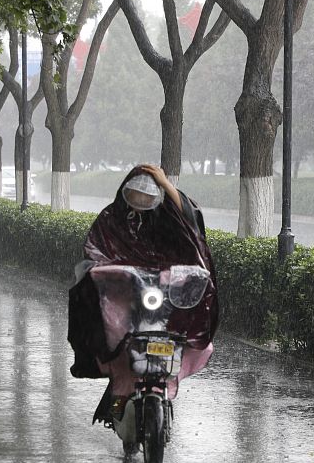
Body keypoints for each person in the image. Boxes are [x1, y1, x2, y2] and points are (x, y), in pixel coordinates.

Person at [67, 164, 219, 424]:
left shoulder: (169, 219)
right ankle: (115, 411)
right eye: (135, 195)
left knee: (185, 339)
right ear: (126, 192)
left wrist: (165, 181)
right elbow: (96, 250)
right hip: (125, 297)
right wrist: (101, 272)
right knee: (118, 357)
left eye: (147, 196)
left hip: (164, 297)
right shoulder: (111, 218)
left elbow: (191, 220)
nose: (141, 202)